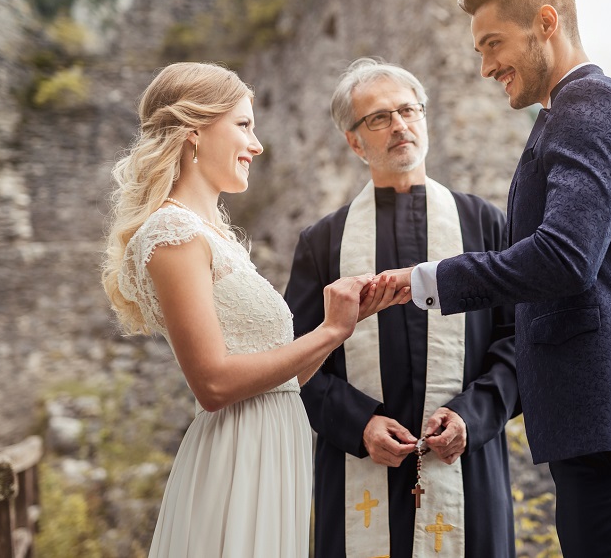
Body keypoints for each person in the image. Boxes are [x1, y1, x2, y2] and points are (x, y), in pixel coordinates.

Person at [381, 0, 611, 557]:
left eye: (494, 44)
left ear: (546, 23)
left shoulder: (588, 105)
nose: (486, 67)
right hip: (605, 419)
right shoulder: (571, 112)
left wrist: (424, 281)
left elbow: (564, 258)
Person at [100, 62, 405, 557]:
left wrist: (350, 321)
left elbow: (284, 377)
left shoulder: (216, 237)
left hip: (273, 449)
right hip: (237, 457)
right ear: (193, 131)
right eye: (243, 125)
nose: (257, 145)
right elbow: (215, 384)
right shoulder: (170, 234)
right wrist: (328, 332)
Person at [283, 57, 520, 558]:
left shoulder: (485, 226)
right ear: (354, 140)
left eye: (409, 111)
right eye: (379, 118)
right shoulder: (322, 243)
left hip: (467, 469)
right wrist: (359, 424)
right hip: (359, 469)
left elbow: (521, 343)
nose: (399, 126)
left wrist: (470, 419)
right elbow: (295, 363)